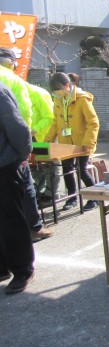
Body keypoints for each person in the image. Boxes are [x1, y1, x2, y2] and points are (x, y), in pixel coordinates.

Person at [0, 47, 51, 240]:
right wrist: (25, 149)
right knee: (25, 187)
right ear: (12, 63)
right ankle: (34, 227)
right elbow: (22, 118)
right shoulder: (14, 81)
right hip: (10, 150)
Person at [45, 73, 100, 212]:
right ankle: (72, 198)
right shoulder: (58, 100)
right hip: (66, 143)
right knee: (67, 171)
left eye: (59, 90)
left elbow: (93, 123)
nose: (57, 94)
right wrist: (47, 142)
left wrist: (89, 142)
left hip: (82, 143)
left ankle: (95, 197)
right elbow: (55, 123)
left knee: (82, 171)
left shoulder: (82, 99)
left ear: (67, 85)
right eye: (55, 92)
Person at [0, 80, 36, 294]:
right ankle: (2, 267)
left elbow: (17, 126)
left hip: (4, 166)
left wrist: (23, 154)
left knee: (11, 219)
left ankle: (23, 269)